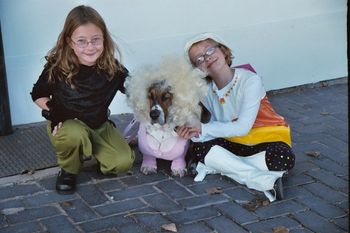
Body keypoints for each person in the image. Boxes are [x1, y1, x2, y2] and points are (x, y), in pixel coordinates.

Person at [177, 33, 295, 201]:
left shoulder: (250, 80)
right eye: (199, 59)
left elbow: (242, 127)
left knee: (283, 158)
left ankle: (221, 165)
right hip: (233, 142)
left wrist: (203, 129)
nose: (207, 58)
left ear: (223, 51)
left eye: (209, 50)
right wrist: (193, 131)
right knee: (199, 147)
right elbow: (209, 126)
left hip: (266, 139)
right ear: (198, 69)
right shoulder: (204, 91)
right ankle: (264, 180)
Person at [30, 5, 135, 194]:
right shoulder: (58, 67)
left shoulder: (112, 67)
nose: (90, 47)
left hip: (98, 124)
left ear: (104, 38)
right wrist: (53, 111)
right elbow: (37, 94)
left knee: (123, 163)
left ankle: (96, 151)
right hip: (68, 124)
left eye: (96, 40)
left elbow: (135, 89)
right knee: (74, 135)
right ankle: (69, 169)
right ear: (70, 42)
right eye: (81, 41)